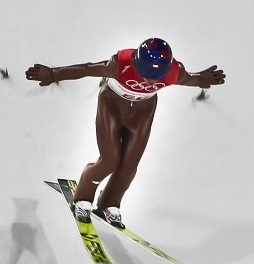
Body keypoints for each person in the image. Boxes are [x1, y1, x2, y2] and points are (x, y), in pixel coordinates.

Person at [25, 37, 225, 228]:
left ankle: (110, 203)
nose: (150, 82)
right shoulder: (121, 64)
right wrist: (53, 74)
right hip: (112, 105)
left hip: (142, 112)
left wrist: (201, 79)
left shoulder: (174, 72)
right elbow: (87, 69)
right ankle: (83, 197)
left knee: (129, 166)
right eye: (146, 75)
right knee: (110, 160)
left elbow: (189, 79)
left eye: (157, 79)